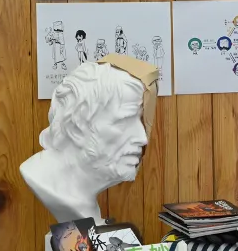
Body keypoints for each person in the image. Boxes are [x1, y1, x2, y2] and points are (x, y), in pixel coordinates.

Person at [20, 57, 156, 223]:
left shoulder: (82, 198)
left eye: (140, 121)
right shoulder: (49, 185)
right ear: (77, 125)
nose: (143, 139)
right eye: (124, 121)